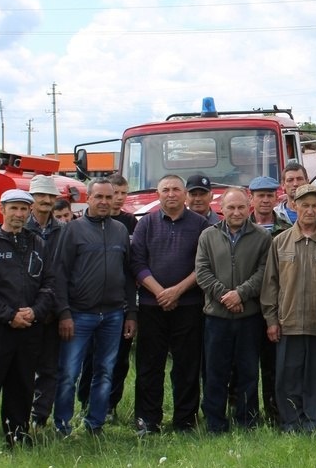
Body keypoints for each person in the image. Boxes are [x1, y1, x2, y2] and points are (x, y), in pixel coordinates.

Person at [0, 189, 57, 447]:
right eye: (13, 208)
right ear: (1, 209)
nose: (18, 214)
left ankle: (17, 436)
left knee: (22, 386)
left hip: (30, 327)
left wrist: (35, 311)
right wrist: (10, 316)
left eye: (23, 209)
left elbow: (49, 283)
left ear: (29, 212)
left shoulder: (38, 244)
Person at [53, 179, 137, 436]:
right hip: (79, 314)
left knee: (105, 371)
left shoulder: (121, 231)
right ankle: (62, 426)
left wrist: (131, 313)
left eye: (108, 197)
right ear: (87, 198)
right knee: (69, 373)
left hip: (113, 314)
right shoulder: (72, 230)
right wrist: (64, 313)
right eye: (98, 196)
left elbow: (128, 273)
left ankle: (95, 423)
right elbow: (59, 274)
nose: (104, 202)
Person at [130, 175, 207, 435]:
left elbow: (203, 265)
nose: (171, 194)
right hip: (152, 306)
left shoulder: (200, 225)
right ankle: (148, 420)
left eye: (176, 189)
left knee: (186, 366)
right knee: (149, 366)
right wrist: (161, 292)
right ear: (158, 194)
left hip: (189, 304)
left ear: (185, 194)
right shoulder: (146, 224)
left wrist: (177, 291)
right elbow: (137, 263)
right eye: (166, 190)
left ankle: (185, 420)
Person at [261, 183, 316, 433]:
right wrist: (272, 319)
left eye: (315, 205)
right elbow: (271, 284)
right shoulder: (280, 242)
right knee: (288, 376)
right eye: (304, 205)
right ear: (294, 206)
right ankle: (291, 421)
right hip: (288, 322)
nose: (310, 210)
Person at [196, 188, 272, 433]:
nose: (236, 212)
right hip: (216, 318)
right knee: (215, 372)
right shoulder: (207, 236)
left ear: (249, 207)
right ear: (222, 209)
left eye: (241, 207)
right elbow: (202, 271)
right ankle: (215, 422)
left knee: (248, 372)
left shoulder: (262, 237)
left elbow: (264, 272)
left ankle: (247, 420)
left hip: (249, 317)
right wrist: (224, 296)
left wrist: (241, 293)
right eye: (231, 207)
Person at [27, 174, 68, 428]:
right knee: (23, 367)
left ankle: (39, 418)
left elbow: (67, 271)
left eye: (50, 196)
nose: (45, 200)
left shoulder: (64, 230)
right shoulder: (21, 226)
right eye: (40, 196)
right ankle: (19, 415)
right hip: (25, 309)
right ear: (31, 199)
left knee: (50, 369)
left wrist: (63, 311)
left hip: (53, 309)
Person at [248, 175, 288, 423]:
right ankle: (247, 413)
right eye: (260, 195)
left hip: (277, 304)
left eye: (269, 195)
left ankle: (275, 413)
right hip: (248, 304)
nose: (265, 200)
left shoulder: (285, 227)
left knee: (274, 364)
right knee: (247, 364)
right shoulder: (240, 224)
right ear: (251, 198)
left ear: (276, 197)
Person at [277, 160, 309, 224]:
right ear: (283, 185)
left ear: (307, 182)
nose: (295, 184)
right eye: (290, 180)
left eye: (299, 179)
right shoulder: (275, 214)